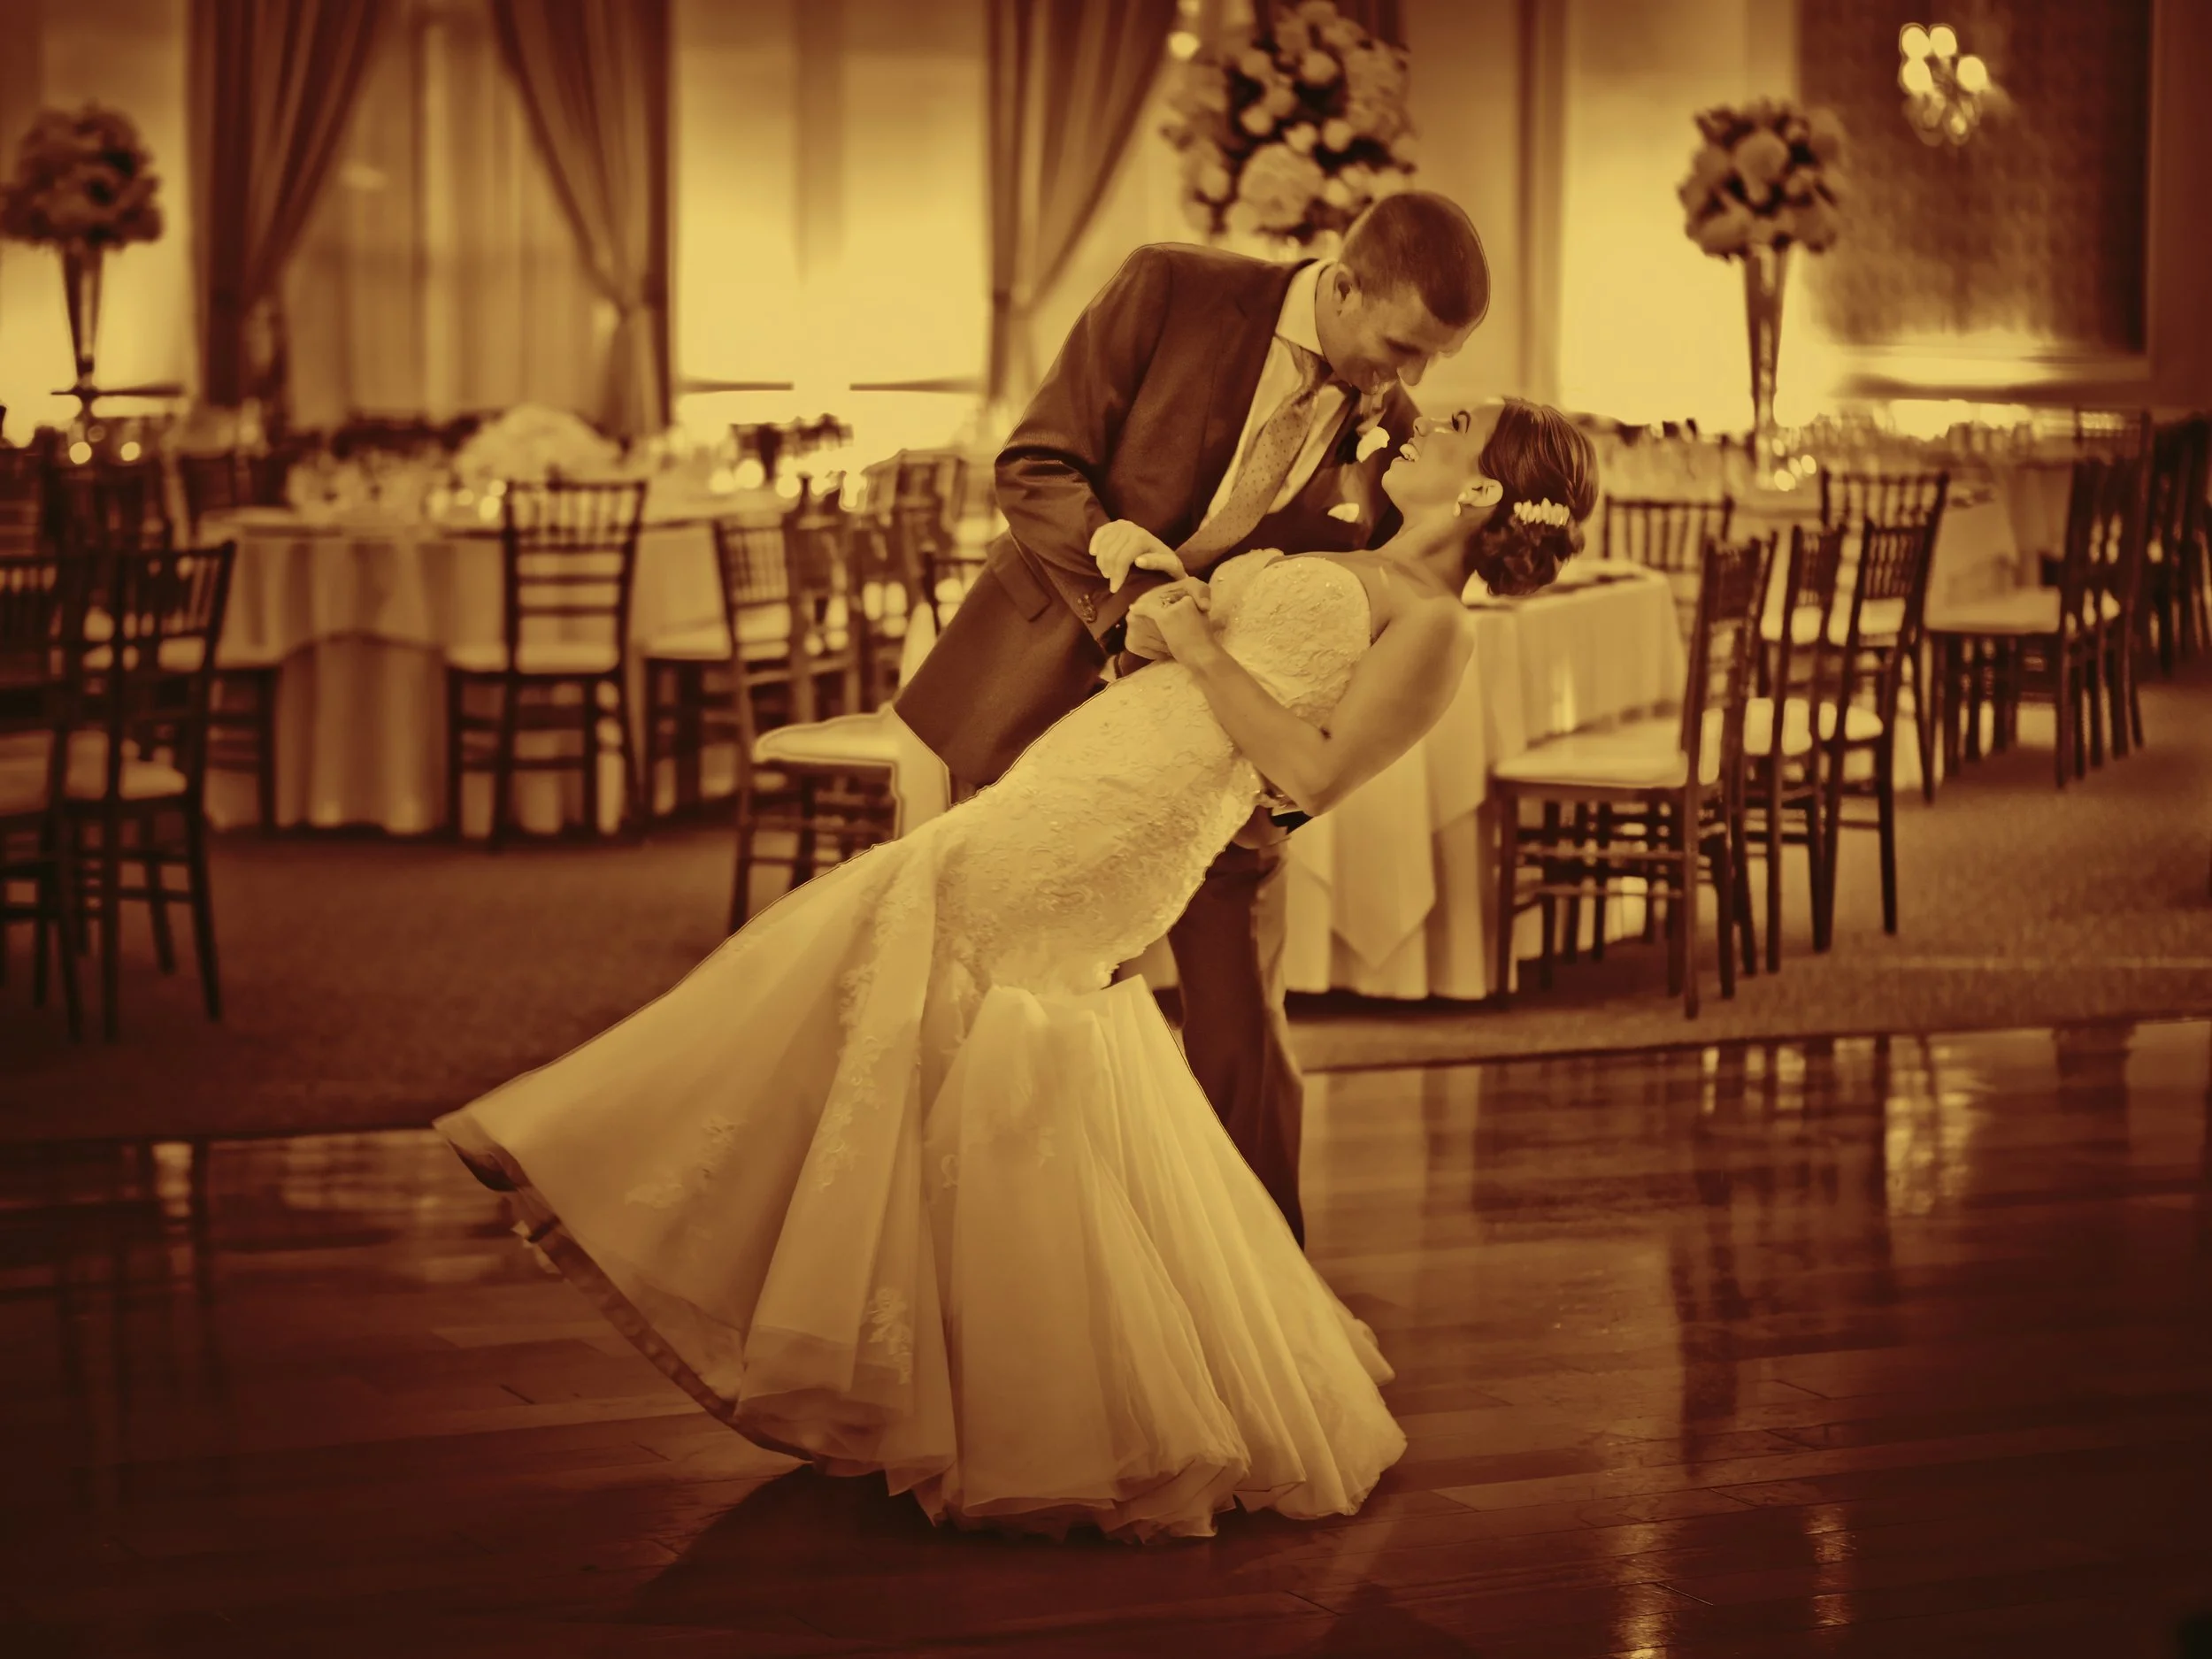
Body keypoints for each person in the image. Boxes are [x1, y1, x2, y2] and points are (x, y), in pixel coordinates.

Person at [435, 397, 1599, 1543]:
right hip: (1083, 774)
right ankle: (955, 1369)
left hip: (1137, 819)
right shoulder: (1351, 555)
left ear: (1486, 488)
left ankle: (593, 1141)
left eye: (1452, 427)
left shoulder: (1440, 624)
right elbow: (1209, 657)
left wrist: (1199, 645)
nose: (1420, 425)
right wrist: (1166, 611)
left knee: (888, 928)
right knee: (947, 999)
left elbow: (1308, 771)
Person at [896, 192, 1491, 1248]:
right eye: (1400, 347)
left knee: (1244, 1035)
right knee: (987, 988)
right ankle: (973, 1255)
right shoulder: (1171, 287)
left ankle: (1267, 1296)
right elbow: (1035, 466)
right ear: (1344, 286)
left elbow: (1394, 626)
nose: (1407, 384)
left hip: (1220, 774)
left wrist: (1290, 795)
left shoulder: (1390, 433)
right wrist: (1137, 609)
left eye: (1431, 363)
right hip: (1036, 696)